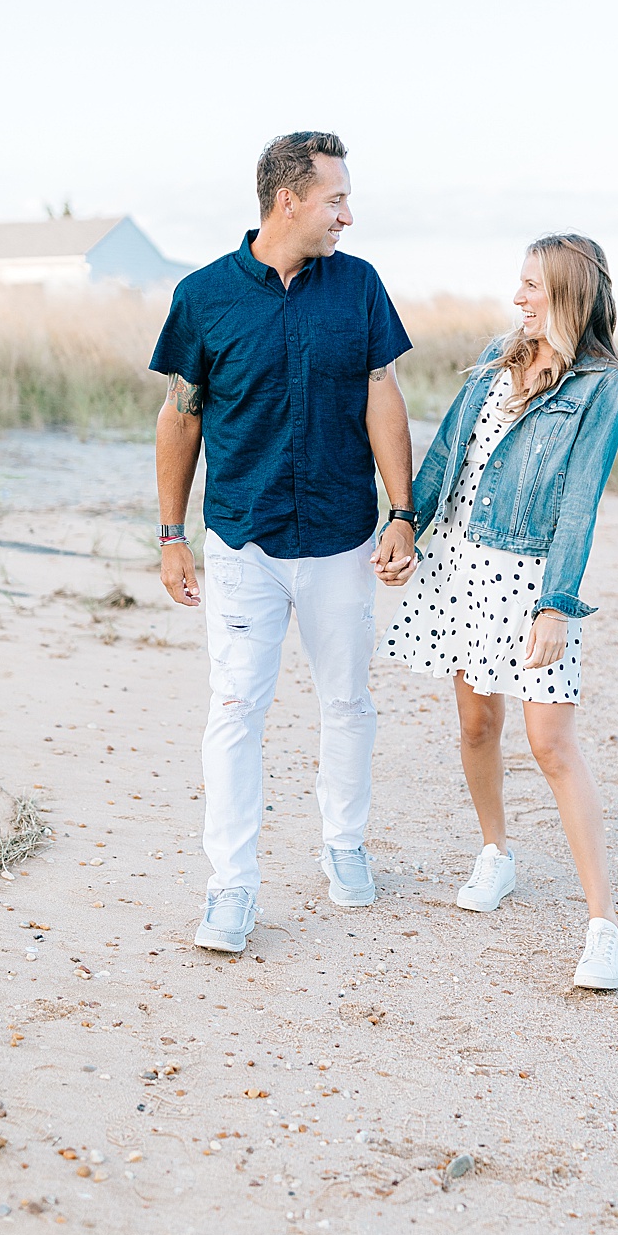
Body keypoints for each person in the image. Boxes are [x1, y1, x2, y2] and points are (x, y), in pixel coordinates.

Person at [150, 131, 418, 955]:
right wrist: (170, 533)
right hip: (243, 544)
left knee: (347, 704)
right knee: (235, 710)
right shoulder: (204, 296)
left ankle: (344, 844)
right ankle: (230, 889)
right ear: (288, 199)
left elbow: (383, 393)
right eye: (336, 198)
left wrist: (402, 510)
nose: (348, 213)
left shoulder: (360, 286)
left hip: (342, 539)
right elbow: (182, 413)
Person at [378, 234, 618, 990]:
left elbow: (580, 501)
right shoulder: (500, 353)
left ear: (567, 294)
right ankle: (497, 853)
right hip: (464, 562)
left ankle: (604, 926)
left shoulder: (602, 387)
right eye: (517, 285)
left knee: (552, 744)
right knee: (476, 724)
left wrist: (555, 607)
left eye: (530, 286)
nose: (517, 298)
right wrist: (406, 524)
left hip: (530, 576)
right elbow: (451, 449)